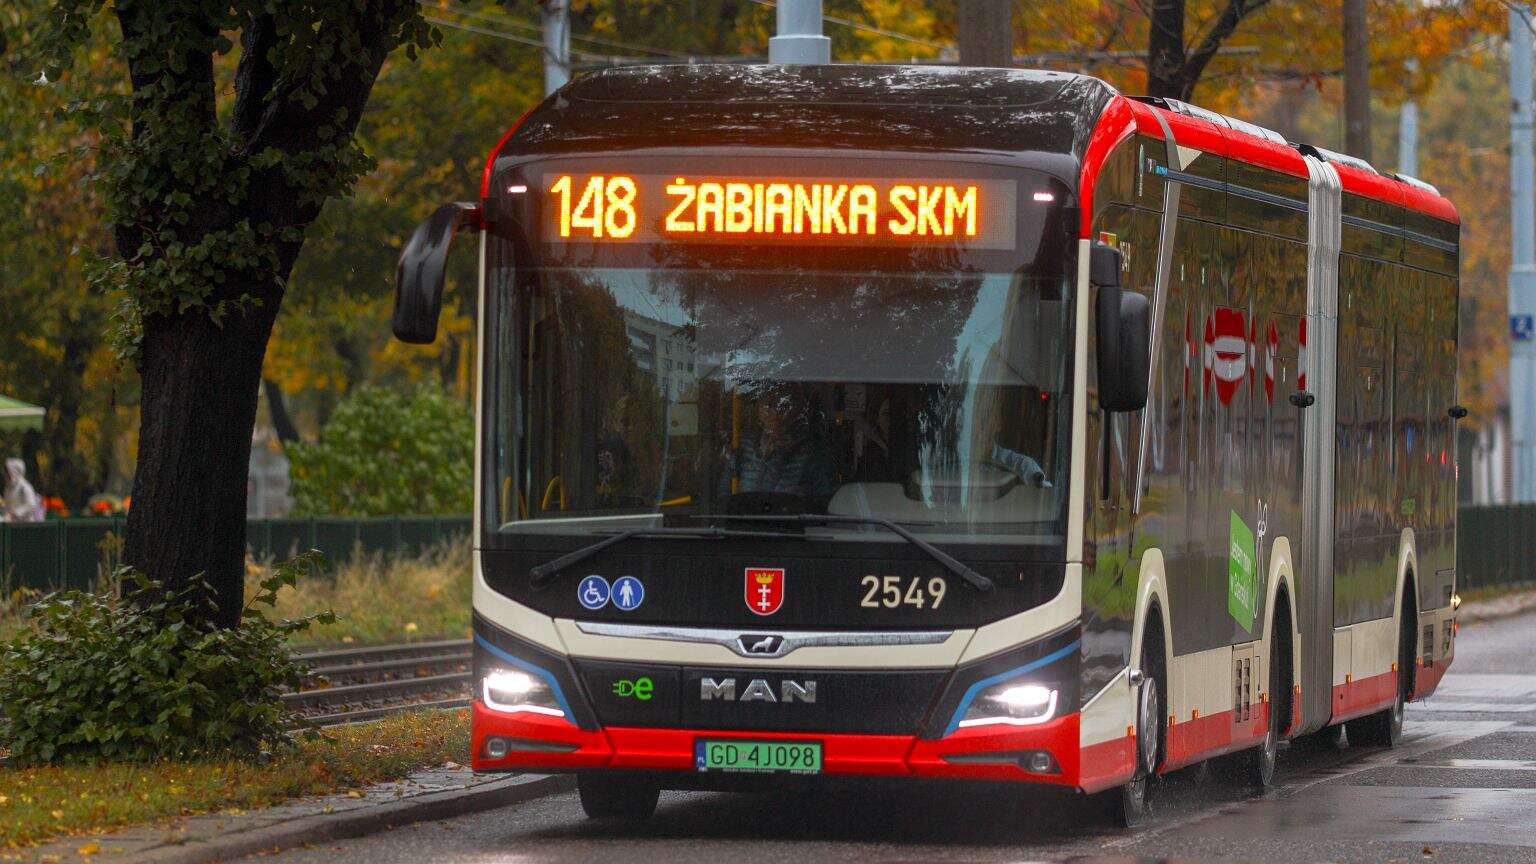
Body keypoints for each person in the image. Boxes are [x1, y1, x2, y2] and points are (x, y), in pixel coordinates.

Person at [726, 392, 837, 499]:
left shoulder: (811, 451)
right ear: (758, 408)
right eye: (768, 405)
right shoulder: (743, 445)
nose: (775, 412)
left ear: (798, 410)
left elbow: (822, 500)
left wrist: (783, 455)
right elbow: (725, 492)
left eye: (784, 405)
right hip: (744, 515)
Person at [3, 458, 45, 523]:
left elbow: (31, 505)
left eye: (7, 472)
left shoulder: (25, 487)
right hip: (11, 525)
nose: (5, 475)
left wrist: (15, 513)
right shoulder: (8, 488)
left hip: (24, 525)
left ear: (15, 472)